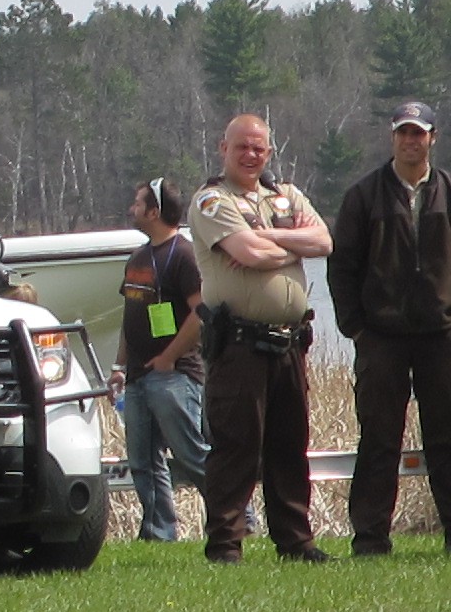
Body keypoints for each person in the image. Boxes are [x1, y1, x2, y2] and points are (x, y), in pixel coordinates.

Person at [187, 114, 332, 565]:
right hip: (240, 344)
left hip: (290, 343)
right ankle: (226, 544)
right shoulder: (212, 200)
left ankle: (296, 541)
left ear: (269, 152)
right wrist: (290, 246)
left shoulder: (285, 195)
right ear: (223, 148)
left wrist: (268, 237)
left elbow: (324, 241)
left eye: (258, 148)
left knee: (290, 444)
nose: (250, 155)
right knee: (237, 445)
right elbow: (246, 252)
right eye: (241, 147)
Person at [328, 100, 451, 556]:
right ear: (392, 136)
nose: (410, 140)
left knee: (446, 439)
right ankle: (370, 539)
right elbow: (342, 267)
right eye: (403, 132)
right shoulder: (364, 195)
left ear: (432, 138)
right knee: (379, 440)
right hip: (381, 337)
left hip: (441, 336)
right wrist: (356, 328)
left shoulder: (447, 191)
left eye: (418, 132)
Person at [106, 178, 210, 542]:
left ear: (154, 212)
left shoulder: (183, 255)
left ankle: (235, 517)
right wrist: (119, 367)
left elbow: (201, 313)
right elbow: (130, 315)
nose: (131, 209)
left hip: (174, 375)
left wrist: (169, 357)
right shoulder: (138, 257)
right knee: (143, 460)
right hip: (137, 377)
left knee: (191, 453)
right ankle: (158, 532)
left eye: (138, 204)